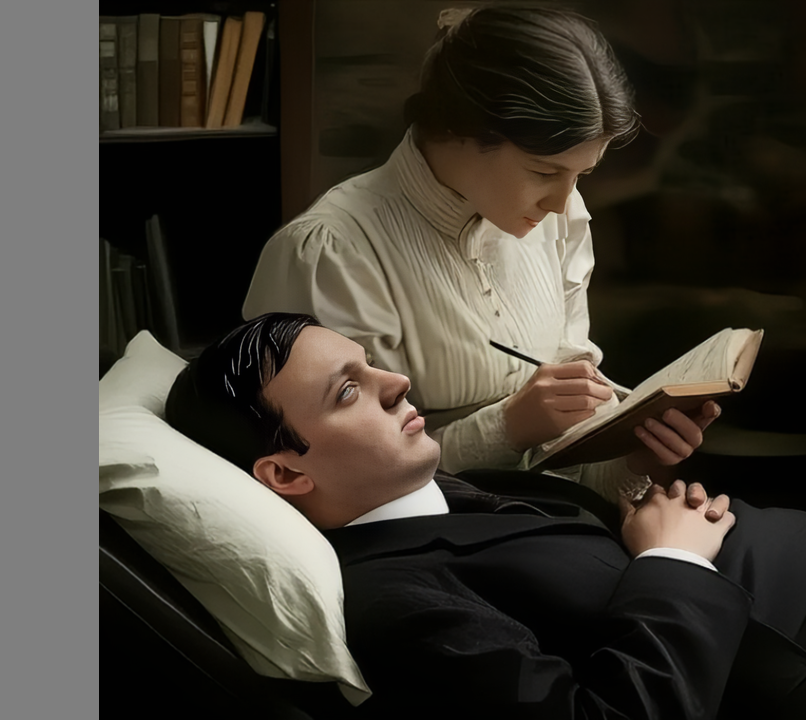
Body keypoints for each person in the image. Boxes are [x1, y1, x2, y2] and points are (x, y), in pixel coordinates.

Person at [166, 313, 806, 720]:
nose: (394, 380)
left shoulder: (439, 497)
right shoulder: (396, 596)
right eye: (348, 390)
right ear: (284, 474)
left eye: (370, 361)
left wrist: (651, 520)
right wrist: (673, 565)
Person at [242, 5, 710, 501]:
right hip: (432, 535)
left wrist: (636, 456)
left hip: (558, 520)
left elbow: (573, 469)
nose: (562, 201)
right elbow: (346, 481)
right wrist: (507, 428)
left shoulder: (560, 216)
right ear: (460, 129)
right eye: (544, 172)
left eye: (581, 175)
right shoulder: (331, 253)